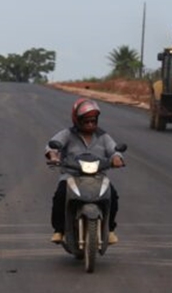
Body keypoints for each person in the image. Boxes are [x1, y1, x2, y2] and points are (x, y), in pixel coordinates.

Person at [45, 98, 125, 245]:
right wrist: (53, 155)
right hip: (71, 176)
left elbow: (114, 150)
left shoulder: (103, 136)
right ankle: (59, 230)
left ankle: (110, 230)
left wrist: (117, 158)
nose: (90, 125)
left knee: (112, 195)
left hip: (98, 176)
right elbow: (52, 146)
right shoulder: (67, 134)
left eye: (93, 121)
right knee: (60, 195)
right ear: (78, 120)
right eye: (86, 121)